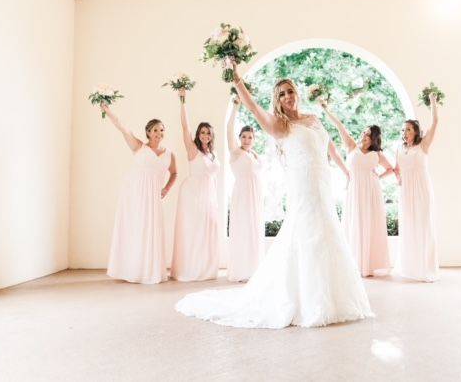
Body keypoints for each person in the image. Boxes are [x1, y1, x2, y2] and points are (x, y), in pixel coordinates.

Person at [175, 62, 373, 328]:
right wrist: (236, 77)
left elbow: (330, 147)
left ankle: (333, 296)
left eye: (290, 91)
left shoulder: (313, 119)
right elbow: (254, 107)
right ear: (277, 100)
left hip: (322, 182)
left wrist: (343, 170)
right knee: (307, 231)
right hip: (303, 185)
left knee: (326, 230)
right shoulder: (280, 125)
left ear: (297, 93)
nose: (288, 96)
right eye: (281, 94)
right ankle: (307, 300)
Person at [101, 104, 176, 284]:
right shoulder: (139, 147)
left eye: (162, 130)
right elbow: (122, 127)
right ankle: (132, 269)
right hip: (135, 194)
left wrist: (166, 188)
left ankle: (150, 270)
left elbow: (174, 173)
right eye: (155, 130)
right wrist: (108, 110)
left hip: (154, 197)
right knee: (137, 228)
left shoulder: (169, 154)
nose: (159, 133)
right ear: (148, 132)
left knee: (152, 229)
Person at [322, 104, 394, 277]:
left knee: (369, 222)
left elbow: (390, 169)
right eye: (364, 132)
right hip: (354, 190)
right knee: (355, 221)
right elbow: (340, 126)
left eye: (368, 134)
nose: (364, 135)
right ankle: (354, 263)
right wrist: (326, 110)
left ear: (374, 139)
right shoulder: (352, 147)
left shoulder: (377, 154)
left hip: (371, 191)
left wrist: (378, 177)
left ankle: (368, 265)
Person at [171, 89, 220, 282]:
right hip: (193, 193)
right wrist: (182, 101)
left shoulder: (212, 154)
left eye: (208, 133)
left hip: (208, 194)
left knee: (206, 229)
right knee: (193, 229)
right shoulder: (193, 149)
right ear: (198, 135)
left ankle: (204, 268)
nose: (205, 135)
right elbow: (185, 128)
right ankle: (190, 268)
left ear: (211, 135)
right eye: (202, 132)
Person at [394, 94, 440, 282]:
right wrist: (399, 179)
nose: (405, 132)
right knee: (409, 226)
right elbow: (398, 169)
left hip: (421, 190)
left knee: (423, 226)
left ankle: (425, 268)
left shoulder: (423, 145)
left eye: (409, 129)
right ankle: (410, 266)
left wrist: (433, 102)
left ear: (416, 131)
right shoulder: (399, 148)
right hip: (406, 192)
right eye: (404, 129)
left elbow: (435, 121)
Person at [226, 99, 264, 282]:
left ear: (254, 139)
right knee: (242, 228)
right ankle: (241, 270)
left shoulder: (254, 154)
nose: (246, 140)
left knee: (253, 228)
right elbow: (228, 129)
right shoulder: (236, 152)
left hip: (255, 195)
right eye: (243, 136)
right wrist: (235, 108)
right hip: (242, 194)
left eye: (250, 137)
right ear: (239, 137)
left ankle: (254, 269)